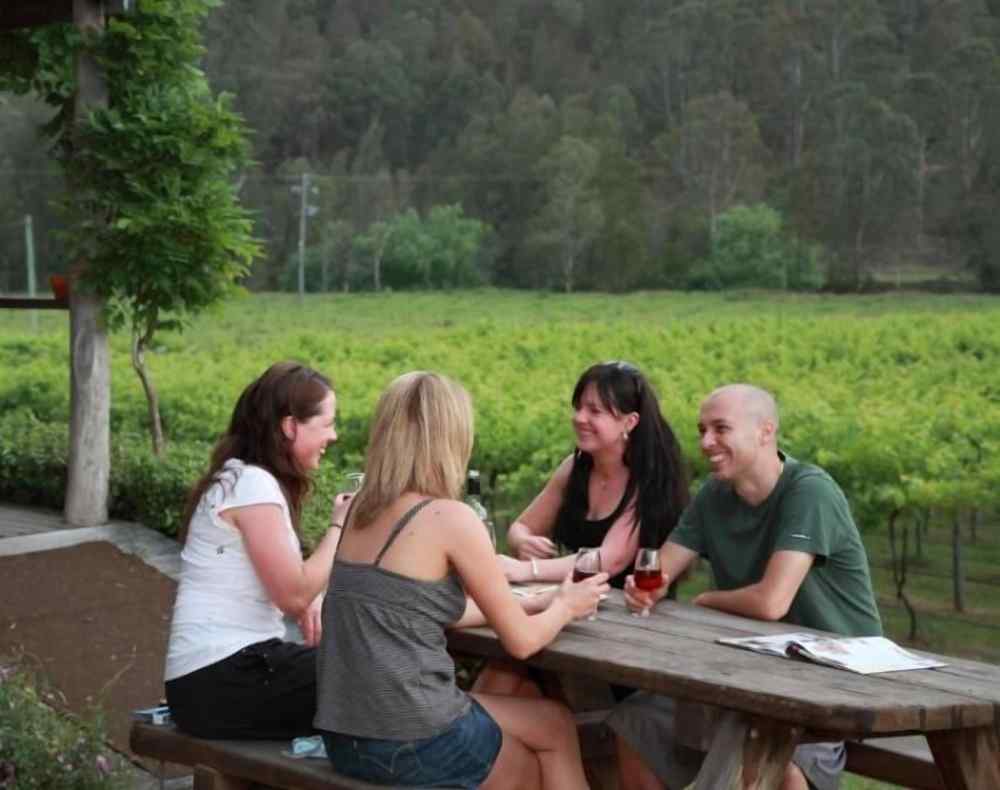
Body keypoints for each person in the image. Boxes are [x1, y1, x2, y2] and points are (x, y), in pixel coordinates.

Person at [314, 371, 609, 789]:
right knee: (539, 752)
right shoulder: (450, 517)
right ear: (452, 436)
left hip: (344, 737)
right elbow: (523, 642)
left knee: (548, 718)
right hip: (411, 738)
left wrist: (528, 603)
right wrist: (566, 605)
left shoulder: (358, 509)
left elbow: (409, 609)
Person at [608, 384, 883, 790]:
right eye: (702, 430)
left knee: (763, 752)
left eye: (721, 429)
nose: (706, 442)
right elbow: (661, 570)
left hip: (836, 677)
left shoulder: (809, 492)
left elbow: (771, 602)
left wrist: (705, 600)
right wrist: (646, 588)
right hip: (752, 673)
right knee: (636, 724)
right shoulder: (714, 497)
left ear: (765, 431)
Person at [163, 362, 350, 739]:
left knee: (367, 677)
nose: (334, 435)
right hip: (224, 678)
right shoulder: (251, 484)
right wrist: (341, 525)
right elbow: (294, 595)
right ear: (289, 425)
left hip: (211, 681)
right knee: (375, 678)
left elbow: (292, 588)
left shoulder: (239, 478)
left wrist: (313, 594)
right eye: (327, 423)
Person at [502, 361, 689, 590]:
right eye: (578, 407)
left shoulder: (649, 479)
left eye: (594, 411)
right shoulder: (574, 468)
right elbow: (520, 527)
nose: (579, 418)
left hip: (634, 613)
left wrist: (528, 570)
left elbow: (611, 560)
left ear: (630, 422)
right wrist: (523, 541)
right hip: (574, 602)